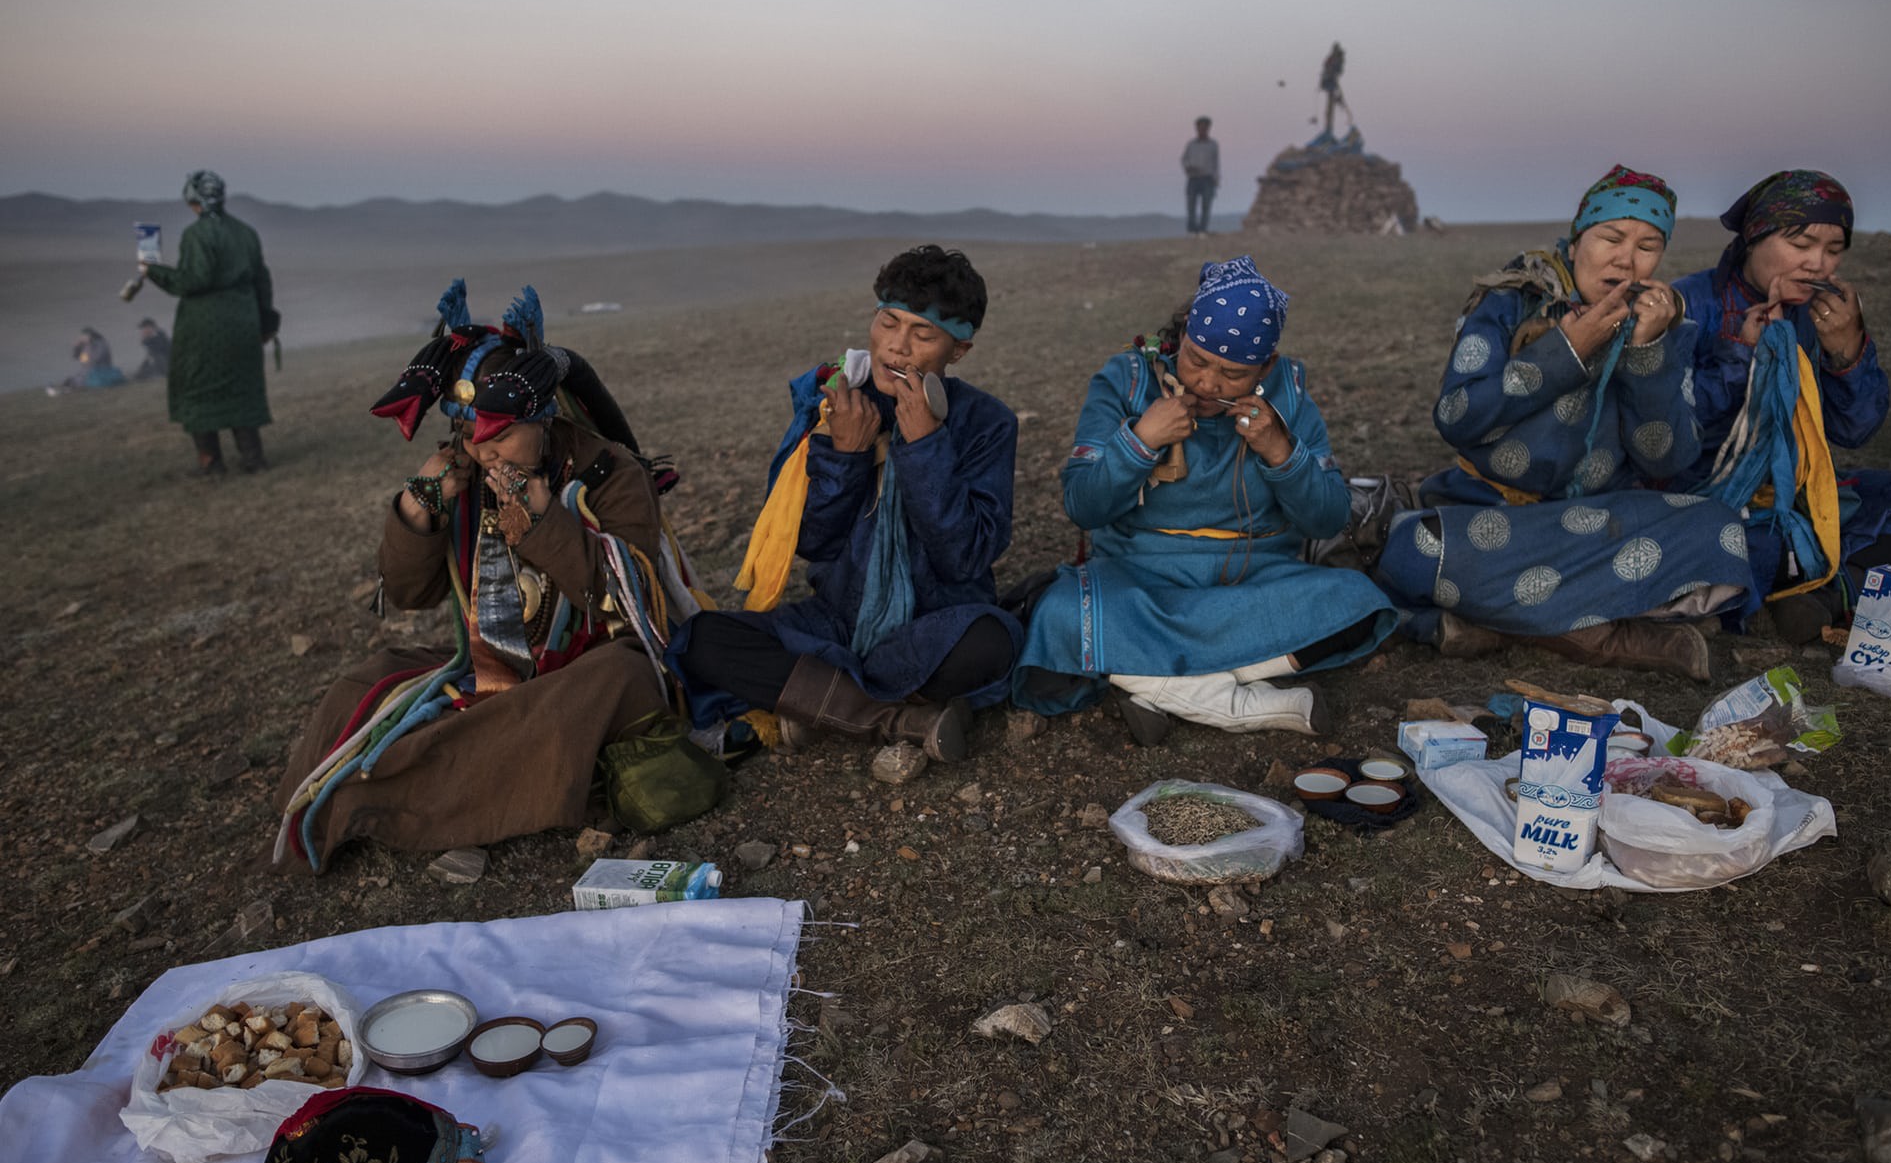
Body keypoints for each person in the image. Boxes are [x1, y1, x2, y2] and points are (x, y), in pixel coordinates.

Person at [271, 281, 693, 872]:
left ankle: (388, 799)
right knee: (365, 682)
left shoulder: (608, 471)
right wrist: (418, 509)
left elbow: (631, 608)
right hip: (492, 661)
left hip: (591, 663)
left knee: (610, 682)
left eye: (499, 435)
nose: (481, 450)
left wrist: (546, 525)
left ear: (542, 417)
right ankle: (372, 787)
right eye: (469, 433)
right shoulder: (463, 474)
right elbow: (409, 592)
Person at [1373, 165, 1750, 681]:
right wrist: (1567, 352)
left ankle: (1502, 622)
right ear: (1576, 242)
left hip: (1596, 525)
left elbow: (1669, 458)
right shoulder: (1510, 300)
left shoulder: (1663, 327)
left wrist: (1646, 355)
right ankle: (1598, 631)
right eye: (1611, 237)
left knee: (1720, 529)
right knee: (1412, 550)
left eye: (1648, 245)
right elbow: (1457, 418)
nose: (1626, 258)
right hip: (1492, 514)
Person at [1012, 255, 1396, 742]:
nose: (1207, 383)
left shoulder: (1289, 397)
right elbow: (1083, 506)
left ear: (1266, 366)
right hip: (1140, 578)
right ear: (1181, 341)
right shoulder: (1127, 380)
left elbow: (1327, 520)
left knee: (1358, 603)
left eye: (1232, 373)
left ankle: (1164, 687)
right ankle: (1234, 696)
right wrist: (1142, 441)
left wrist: (1282, 452)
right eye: (1196, 360)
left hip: (1252, 582)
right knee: (1060, 613)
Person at [672, 246, 1021, 764]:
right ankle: (897, 717)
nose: (896, 348)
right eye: (888, 323)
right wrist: (845, 453)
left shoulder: (986, 424)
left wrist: (925, 445)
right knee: (700, 638)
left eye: (922, 334)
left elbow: (963, 559)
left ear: (958, 350)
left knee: (991, 640)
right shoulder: (835, 405)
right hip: (835, 621)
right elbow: (812, 542)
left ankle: (817, 702)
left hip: (931, 624)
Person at [1671, 170, 1891, 643]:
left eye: (1833, 249)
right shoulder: (1689, 305)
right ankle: (1828, 583)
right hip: (1703, 500)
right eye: (1802, 243)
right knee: (1742, 543)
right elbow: (1667, 437)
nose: (1818, 264)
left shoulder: (1817, 314)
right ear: (1754, 236)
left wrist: (1847, 351)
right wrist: (1741, 358)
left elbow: (1854, 431)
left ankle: (1817, 587)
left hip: (1799, 496)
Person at [140, 169, 278, 474]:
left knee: (199, 388)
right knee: (242, 387)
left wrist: (154, 271)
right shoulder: (245, 232)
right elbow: (261, 279)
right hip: (244, 321)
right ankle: (253, 459)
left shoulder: (196, 235)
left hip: (204, 327)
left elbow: (193, 280)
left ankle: (211, 462)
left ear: (194, 198)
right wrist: (266, 323)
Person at [48, 327, 126, 393]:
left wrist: (85, 358)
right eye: (82, 336)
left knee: (78, 381)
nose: (82, 338)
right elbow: (76, 358)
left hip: (99, 370)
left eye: (84, 336)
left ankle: (64, 389)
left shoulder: (101, 344)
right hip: (88, 370)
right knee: (73, 379)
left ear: (90, 336)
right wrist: (77, 347)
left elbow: (95, 359)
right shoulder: (86, 345)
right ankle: (62, 387)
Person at [1182, 118, 1220, 236]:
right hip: (1193, 178)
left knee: (1206, 205)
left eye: (1205, 127)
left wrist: (1216, 179)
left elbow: (1216, 163)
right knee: (1191, 205)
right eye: (1200, 127)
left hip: (1207, 178)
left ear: (1208, 128)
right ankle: (1192, 230)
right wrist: (1189, 167)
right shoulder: (1191, 144)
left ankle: (1202, 230)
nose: (1202, 129)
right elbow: (1184, 159)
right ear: (1197, 128)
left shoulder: (1213, 145)